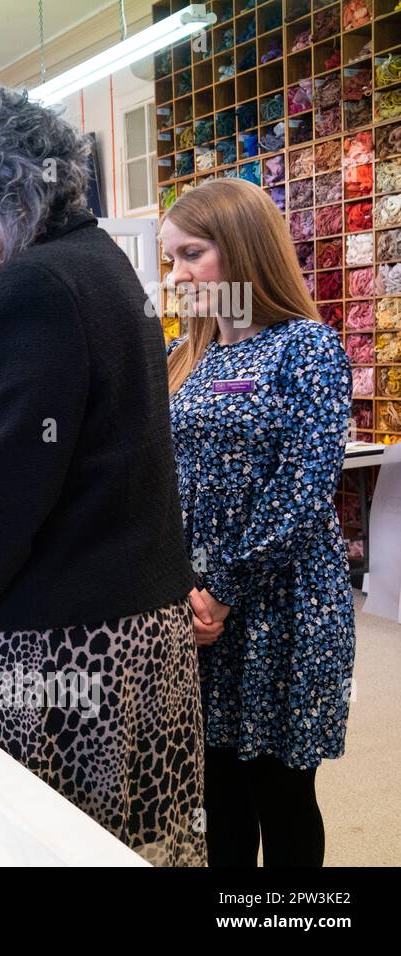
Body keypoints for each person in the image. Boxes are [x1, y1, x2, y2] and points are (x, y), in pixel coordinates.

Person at [0, 86, 203, 865]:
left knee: (39, 842)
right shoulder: (102, 262)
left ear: (10, 186)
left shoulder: (33, 286)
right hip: (136, 627)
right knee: (135, 839)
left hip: (62, 648)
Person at [161, 178, 355, 867]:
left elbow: (304, 494)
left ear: (241, 250)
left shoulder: (308, 347)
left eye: (191, 255)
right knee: (219, 794)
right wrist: (183, 585)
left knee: (282, 792)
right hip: (198, 609)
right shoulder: (188, 356)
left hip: (282, 605)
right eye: (170, 261)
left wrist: (222, 589)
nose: (177, 276)